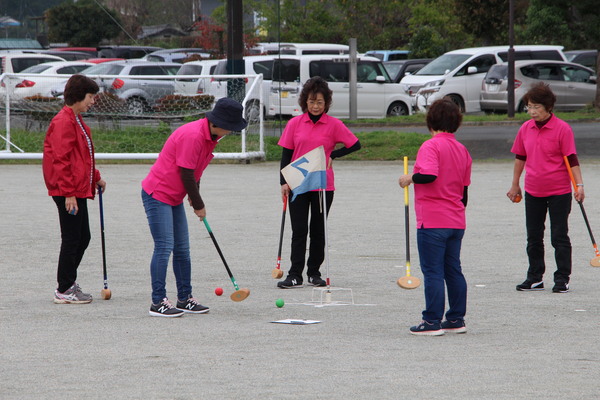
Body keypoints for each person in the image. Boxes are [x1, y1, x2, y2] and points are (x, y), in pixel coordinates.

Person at [141, 97, 247, 317]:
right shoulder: (194, 136)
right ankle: (157, 301)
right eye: (232, 127)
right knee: (164, 246)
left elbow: (195, 170)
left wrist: (193, 194)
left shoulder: (211, 136)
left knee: (182, 249)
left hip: (175, 196)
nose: (232, 132)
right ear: (219, 123)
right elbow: (186, 173)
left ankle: (184, 298)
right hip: (158, 193)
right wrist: (198, 204)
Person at [277, 76, 361, 288]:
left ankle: (314, 272)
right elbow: (286, 156)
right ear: (305, 101)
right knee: (299, 231)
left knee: (318, 230)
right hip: (297, 184)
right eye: (312, 101)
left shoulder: (334, 125)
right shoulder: (294, 124)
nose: (315, 106)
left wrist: (335, 155)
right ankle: (295, 274)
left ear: (326, 104)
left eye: (320, 102)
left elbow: (355, 144)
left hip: (323, 186)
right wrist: (283, 182)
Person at [399, 99, 472, 336]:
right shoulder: (462, 150)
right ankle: (456, 318)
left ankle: (431, 321)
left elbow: (429, 175)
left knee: (433, 272)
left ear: (431, 121)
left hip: (432, 219)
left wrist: (410, 178)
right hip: (456, 219)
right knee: (453, 270)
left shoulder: (430, 146)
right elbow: (464, 191)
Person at [507, 82, 584, 293]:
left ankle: (562, 278)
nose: (532, 112)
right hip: (533, 190)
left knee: (559, 235)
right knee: (533, 236)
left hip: (559, 191)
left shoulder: (562, 129)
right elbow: (520, 158)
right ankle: (535, 277)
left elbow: (572, 160)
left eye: (536, 107)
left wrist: (579, 186)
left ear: (548, 107)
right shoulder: (525, 128)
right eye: (529, 107)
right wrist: (515, 185)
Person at [43, 74, 106, 304]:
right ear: (79, 96)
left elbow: (82, 156)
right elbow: (61, 159)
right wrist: (68, 193)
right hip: (67, 191)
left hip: (77, 189)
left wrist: (95, 178)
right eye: (90, 96)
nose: (93, 101)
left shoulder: (76, 119)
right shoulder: (63, 121)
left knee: (83, 236)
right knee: (72, 238)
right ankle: (64, 288)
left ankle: (68, 282)